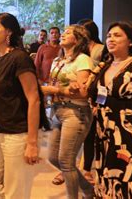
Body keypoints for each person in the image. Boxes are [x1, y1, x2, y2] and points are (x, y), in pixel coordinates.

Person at [0, 13, 44, 199]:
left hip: (18, 133)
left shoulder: (19, 58)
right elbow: (4, 93)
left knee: (16, 189)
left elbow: (34, 99)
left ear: (8, 31)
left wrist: (32, 143)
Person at [88, 22, 132, 198]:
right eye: (109, 35)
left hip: (128, 129)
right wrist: (97, 106)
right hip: (104, 128)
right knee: (106, 170)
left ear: (131, 42)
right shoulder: (105, 66)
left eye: (117, 35)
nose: (111, 39)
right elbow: (101, 94)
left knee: (125, 172)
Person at [41, 25, 94, 199]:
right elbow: (55, 85)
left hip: (76, 112)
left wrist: (54, 90)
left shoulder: (83, 60)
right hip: (58, 110)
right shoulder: (59, 60)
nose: (63, 34)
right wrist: (57, 90)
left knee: (66, 161)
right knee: (53, 158)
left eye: (68, 33)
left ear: (78, 40)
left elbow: (83, 92)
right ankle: (88, 190)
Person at [78, 18, 105, 185]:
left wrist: (100, 101)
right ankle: (81, 167)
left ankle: (89, 168)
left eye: (82, 30)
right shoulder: (80, 50)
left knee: (94, 133)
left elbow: (104, 74)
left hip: (97, 95)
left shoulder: (101, 49)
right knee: (84, 133)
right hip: (81, 95)